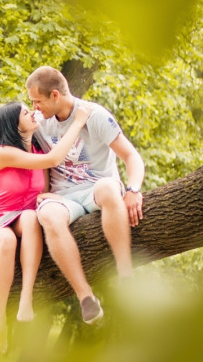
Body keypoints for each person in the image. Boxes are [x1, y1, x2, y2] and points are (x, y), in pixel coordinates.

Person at [25, 65, 145, 324]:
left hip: (99, 187)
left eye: (38, 101)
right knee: (48, 215)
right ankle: (85, 297)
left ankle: (126, 276)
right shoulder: (40, 124)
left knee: (108, 188)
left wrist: (134, 189)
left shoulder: (95, 115)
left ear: (55, 95)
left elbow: (131, 156)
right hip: (63, 196)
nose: (35, 107)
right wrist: (44, 194)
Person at [0, 99, 92, 353]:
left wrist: (47, 196)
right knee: (6, 240)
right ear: (15, 127)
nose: (34, 112)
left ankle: (26, 300)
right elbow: (53, 158)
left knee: (30, 217)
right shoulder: (4, 152)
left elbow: (36, 179)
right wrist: (79, 121)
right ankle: (0, 320)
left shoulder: (35, 151)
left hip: (23, 219)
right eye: (27, 113)